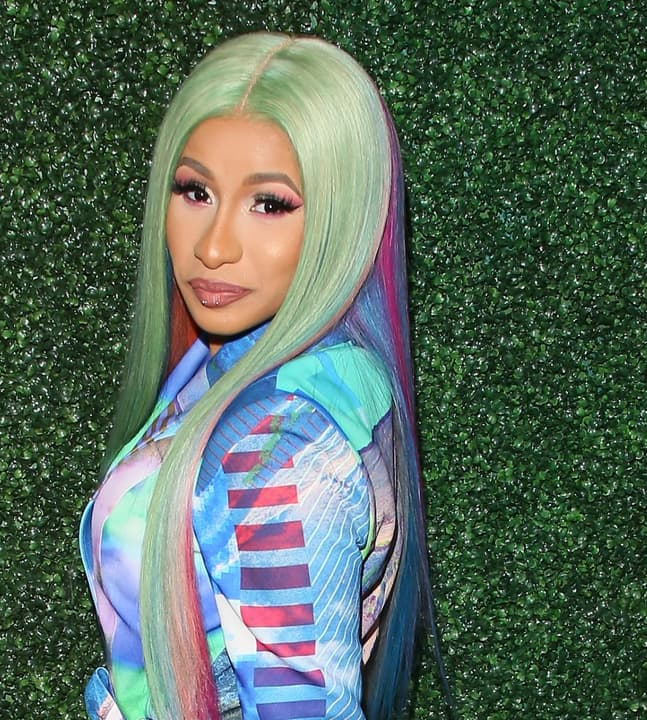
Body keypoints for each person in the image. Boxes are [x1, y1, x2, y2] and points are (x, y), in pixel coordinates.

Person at [79, 32, 434, 720]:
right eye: (195, 191)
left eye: (268, 204)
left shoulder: (274, 448)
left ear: (341, 215)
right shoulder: (292, 371)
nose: (214, 246)